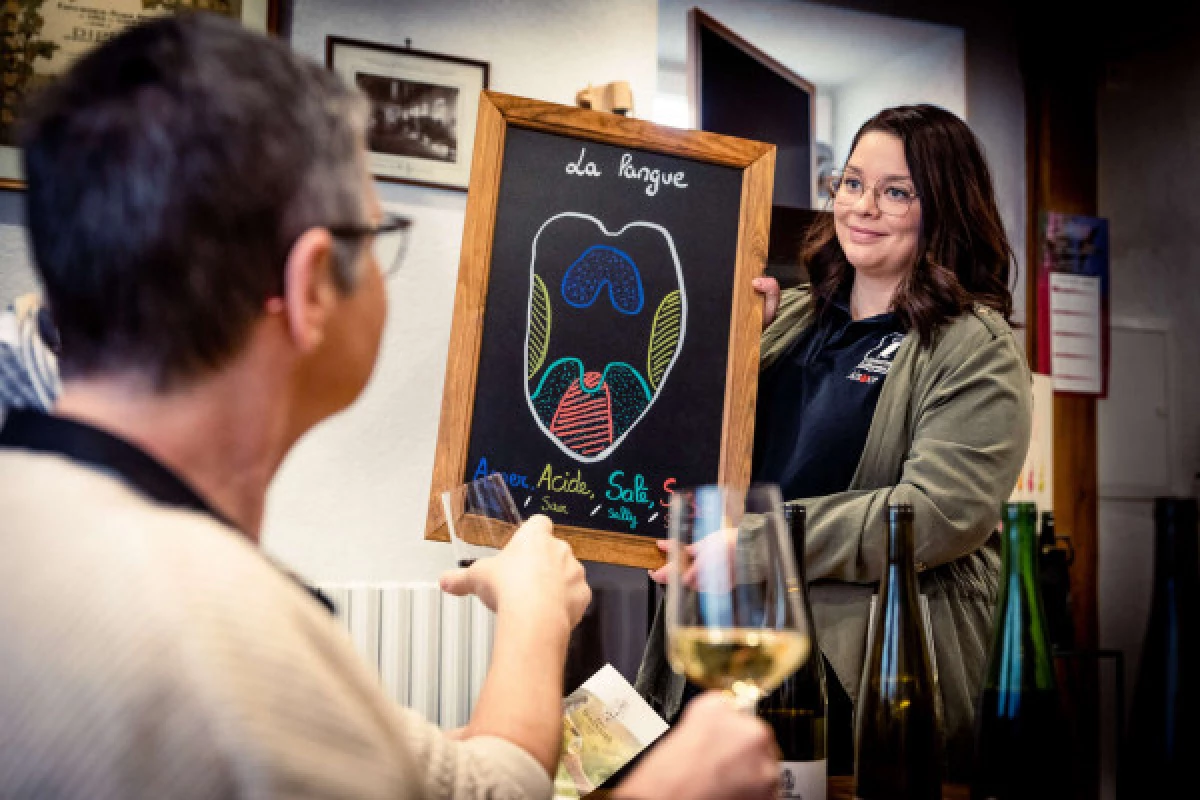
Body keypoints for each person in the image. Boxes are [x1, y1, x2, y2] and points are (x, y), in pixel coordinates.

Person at [0, 14, 779, 799]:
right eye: (378, 231)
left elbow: (440, 776)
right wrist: (659, 779)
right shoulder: (213, 629)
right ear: (309, 287)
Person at [637, 104, 1033, 781]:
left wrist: (756, 547)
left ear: (946, 207)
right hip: (732, 639)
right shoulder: (792, 314)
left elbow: (938, 514)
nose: (863, 206)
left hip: (864, 677)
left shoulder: (977, 346)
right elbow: (690, 445)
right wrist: (732, 352)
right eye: (851, 183)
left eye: (896, 191)